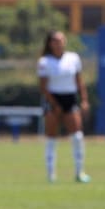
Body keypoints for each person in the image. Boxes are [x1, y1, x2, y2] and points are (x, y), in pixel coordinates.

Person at [38, 30, 90, 183]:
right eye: (55, 40)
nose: (59, 43)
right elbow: (43, 87)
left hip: (70, 98)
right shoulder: (44, 62)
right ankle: (51, 174)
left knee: (77, 136)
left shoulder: (73, 58)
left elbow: (79, 81)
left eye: (61, 40)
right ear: (50, 43)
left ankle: (79, 172)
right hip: (52, 98)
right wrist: (54, 104)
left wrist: (84, 100)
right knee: (51, 137)